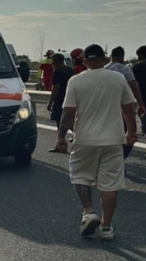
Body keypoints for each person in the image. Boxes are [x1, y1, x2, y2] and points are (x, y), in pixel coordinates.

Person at [56, 45, 138, 241]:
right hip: (113, 140)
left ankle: (89, 211)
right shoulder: (117, 78)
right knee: (109, 185)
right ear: (104, 58)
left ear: (84, 61)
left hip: (85, 140)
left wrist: (60, 137)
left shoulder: (76, 81)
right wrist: (132, 132)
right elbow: (128, 108)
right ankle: (107, 227)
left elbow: (68, 112)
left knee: (81, 177)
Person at [105, 46, 146, 159]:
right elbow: (134, 88)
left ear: (111, 56)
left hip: (107, 108)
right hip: (124, 107)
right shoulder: (125, 69)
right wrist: (141, 104)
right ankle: (120, 160)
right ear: (122, 57)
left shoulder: (104, 69)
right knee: (129, 135)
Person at [46, 53, 74, 129]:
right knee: (69, 119)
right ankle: (76, 134)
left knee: (60, 119)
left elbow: (56, 87)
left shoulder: (57, 71)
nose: (52, 63)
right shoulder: (71, 69)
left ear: (58, 61)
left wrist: (50, 102)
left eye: (53, 61)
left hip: (60, 99)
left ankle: (61, 137)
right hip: (70, 97)